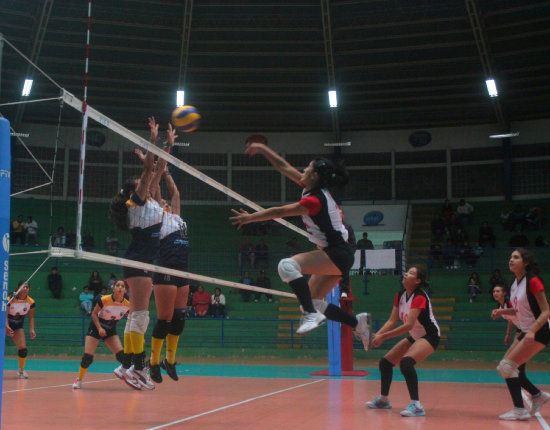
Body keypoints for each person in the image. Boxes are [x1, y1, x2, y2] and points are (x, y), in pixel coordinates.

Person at [230, 142, 371, 344]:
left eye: (307, 169)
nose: (303, 171)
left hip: (337, 253)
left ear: (314, 176)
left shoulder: (313, 201)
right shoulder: (313, 187)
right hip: (339, 253)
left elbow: (279, 212)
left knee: (286, 266)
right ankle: (357, 323)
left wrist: (250, 218)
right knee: (311, 302)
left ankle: (312, 315)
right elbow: (283, 167)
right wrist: (262, 148)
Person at [109, 116, 164, 390]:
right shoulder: (137, 202)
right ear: (135, 191)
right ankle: (137, 368)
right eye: (142, 183)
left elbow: (156, 172)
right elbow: (147, 175)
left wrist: (167, 146)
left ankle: (127, 365)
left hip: (138, 260)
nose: (148, 184)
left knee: (136, 315)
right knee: (141, 315)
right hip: (140, 261)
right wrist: (152, 142)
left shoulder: (147, 201)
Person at [365, 266, 440, 417]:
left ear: (418, 281)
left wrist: (383, 337)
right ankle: (384, 400)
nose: (406, 274)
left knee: (406, 362)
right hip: (415, 336)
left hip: (430, 336)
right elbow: (392, 321)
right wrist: (376, 335)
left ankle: (417, 405)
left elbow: (408, 325)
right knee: (385, 363)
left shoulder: (419, 296)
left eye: (411, 273)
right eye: (407, 272)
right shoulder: (400, 295)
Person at [147, 126, 191, 384]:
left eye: (166, 203)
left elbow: (175, 193)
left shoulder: (176, 216)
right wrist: (159, 171)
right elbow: (157, 192)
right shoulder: (157, 216)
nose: (165, 203)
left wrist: (167, 174)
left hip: (182, 269)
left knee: (180, 320)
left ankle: (170, 360)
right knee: (164, 320)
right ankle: (153, 362)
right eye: (161, 202)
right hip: (165, 269)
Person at [491, 248, 550, 420]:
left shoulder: (533, 281)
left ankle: (520, 409)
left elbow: (546, 311)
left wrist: (532, 331)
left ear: (526, 263)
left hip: (539, 331)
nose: (511, 259)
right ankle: (537, 395)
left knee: (507, 367)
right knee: (505, 368)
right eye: (510, 257)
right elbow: (517, 310)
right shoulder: (515, 284)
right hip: (526, 331)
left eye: (516, 257)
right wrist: (502, 312)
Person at [72, 279, 130, 389]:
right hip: (96, 327)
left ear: (126, 290)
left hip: (110, 329)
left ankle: (132, 379)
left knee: (122, 356)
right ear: (113, 288)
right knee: (87, 358)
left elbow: (131, 319)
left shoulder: (127, 305)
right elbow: (94, 314)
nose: (120, 288)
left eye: (123, 286)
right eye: (117, 285)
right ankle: (79, 379)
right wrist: (99, 328)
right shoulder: (104, 300)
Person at [6, 281, 36, 378]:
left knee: (23, 349)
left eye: (27, 287)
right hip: (4, 324)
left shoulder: (31, 302)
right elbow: (4, 315)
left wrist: (32, 329)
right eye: (23, 287)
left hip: (17, 326)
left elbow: (31, 317)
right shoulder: (10, 299)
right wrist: (6, 326)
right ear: (18, 288)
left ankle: (21, 370)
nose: (25, 289)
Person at [339, 208, 356, 298]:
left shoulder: (348, 227)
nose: (338, 215)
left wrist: (349, 254)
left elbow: (353, 243)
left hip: (345, 254)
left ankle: (344, 291)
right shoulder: (331, 227)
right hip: (333, 253)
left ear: (343, 216)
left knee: (344, 269)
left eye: (340, 214)